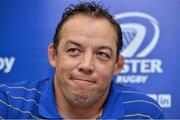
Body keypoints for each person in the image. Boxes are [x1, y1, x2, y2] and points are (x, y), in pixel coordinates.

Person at [0, 1, 164, 119]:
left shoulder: (146, 113)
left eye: (102, 54)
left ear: (117, 65)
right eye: (74, 51)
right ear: (53, 55)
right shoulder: (8, 105)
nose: (86, 65)